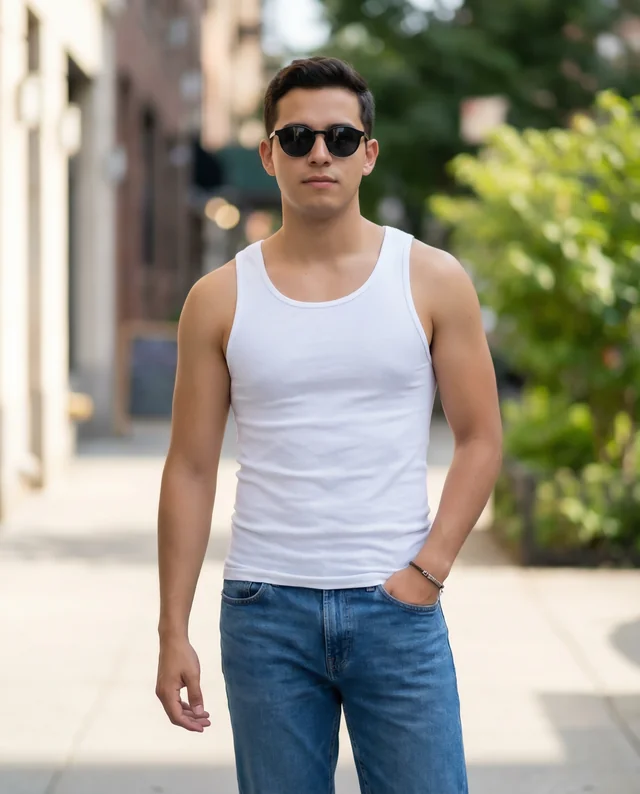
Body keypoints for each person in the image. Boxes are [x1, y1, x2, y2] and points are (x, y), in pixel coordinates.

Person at [155, 56, 503, 794]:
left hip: (398, 611)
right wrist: (171, 629)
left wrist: (428, 570)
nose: (321, 152)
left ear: (368, 154)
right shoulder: (217, 299)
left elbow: (480, 440)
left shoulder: (432, 278)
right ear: (268, 153)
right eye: (300, 136)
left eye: (342, 138)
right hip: (265, 612)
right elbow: (189, 467)